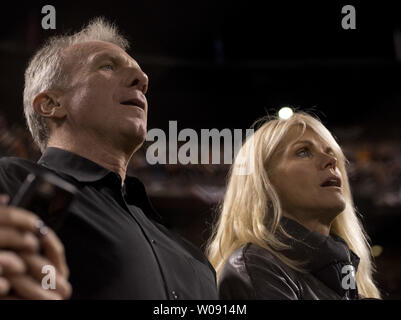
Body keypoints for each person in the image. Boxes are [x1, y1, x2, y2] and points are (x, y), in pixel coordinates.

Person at [0, 17, 217, 299]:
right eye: (107, 66)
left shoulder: (197, 261)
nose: (143, 80)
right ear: (51, 104)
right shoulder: (11, 183)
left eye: (141, 75)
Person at [206, 111, 381, 299]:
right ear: (265, 183)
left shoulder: (347, 274)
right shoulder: (254, 265)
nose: (331, 161)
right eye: (303, 152)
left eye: (330, 153)